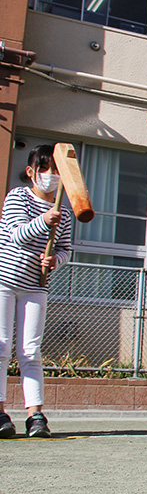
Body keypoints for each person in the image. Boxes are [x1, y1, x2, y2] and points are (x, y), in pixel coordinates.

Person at [0, 144, 73, 438]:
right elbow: (16, 234)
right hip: (4, 280)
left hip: (35, 285)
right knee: (1, 346)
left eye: (56, 170)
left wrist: (55, 260)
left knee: (31, 351)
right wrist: (44, 221)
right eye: (45, 169)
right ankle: (1, 410)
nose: (51, 176)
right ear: (31, 172)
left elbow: (67, 249)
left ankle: (35, 414)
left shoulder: (64, 213)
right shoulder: (18, 197)